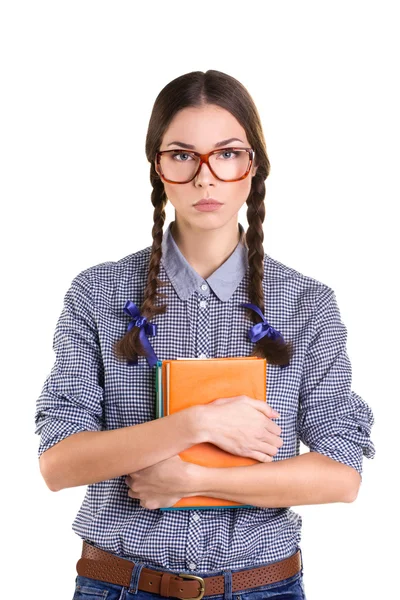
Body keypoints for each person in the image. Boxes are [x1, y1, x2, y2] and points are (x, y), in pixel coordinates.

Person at [34, 70, 376, 600]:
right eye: (182, 154)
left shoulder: (307, 303)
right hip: (120, 585)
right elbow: (59, 464)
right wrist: (199, 422)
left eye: (227, 152)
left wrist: (193, 481)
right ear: (158, 166)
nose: (205, 177)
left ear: (252, 164)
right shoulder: (97, 293)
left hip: (264, 587)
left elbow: (340, 475)